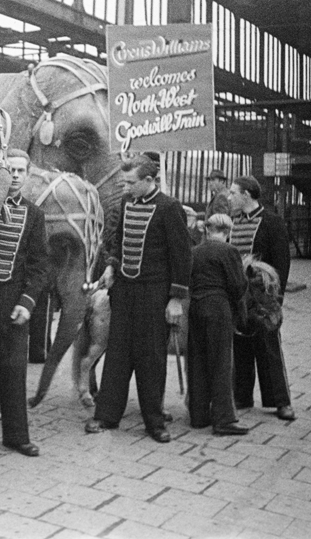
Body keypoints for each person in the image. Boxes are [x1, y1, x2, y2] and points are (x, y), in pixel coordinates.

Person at [85, 154, 192, 443]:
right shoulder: (126, 203)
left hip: (154, 295)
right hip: (124, 291)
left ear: (149, 180)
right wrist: (110, 266)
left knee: (151, 359)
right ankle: (106, 415)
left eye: (131, 182)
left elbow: (181, 257)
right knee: (117, 354)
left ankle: (154, 422)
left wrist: (175, 299)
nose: (125, 187)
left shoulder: (170, 208)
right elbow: (118, 241)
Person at [0, 149, 49, 457]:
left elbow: (40, 266)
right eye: (8, 170)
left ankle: (16, 436)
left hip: (14, 300)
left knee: (13, 369)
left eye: (19, 171)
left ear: (27, 176)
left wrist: (27, 302)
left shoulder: (34, 215)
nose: (13, 176)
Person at [227, 175, 295, 421]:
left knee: (269, 349)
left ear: (246, 194)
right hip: (237, 295)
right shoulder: (232, 222)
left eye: (233, 193)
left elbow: (281, 265)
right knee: (240, 345)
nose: (229, 197)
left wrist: (275, 302)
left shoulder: (272, 222)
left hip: (262, 298)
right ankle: (242, 395)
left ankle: (281, 402)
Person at [187, 213, 249, 436]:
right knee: (221, 362)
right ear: (227, 232)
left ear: (207, 231)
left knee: (198, 360)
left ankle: (198, 415)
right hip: (218, 308)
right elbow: (238, 284)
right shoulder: (229, 251)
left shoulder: (195, 251)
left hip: (196, 307)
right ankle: (224, 420)